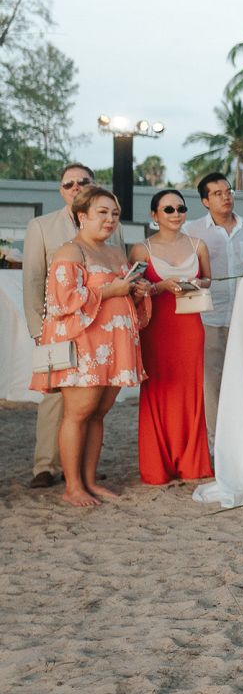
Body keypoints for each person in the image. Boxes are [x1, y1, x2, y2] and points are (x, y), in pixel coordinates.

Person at [34, 187, 152, 506]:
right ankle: (72, 486)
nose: (110, 219)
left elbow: (120, 293)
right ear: (82, 216)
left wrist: (135, 292)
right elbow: (62, 303)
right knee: (78, 413)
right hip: (85, 345)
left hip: (114, 343)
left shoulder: (115, 253)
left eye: (114, 213)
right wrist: (111, 291)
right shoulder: (71, 252)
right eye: (102, 212)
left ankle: (89, 480)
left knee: (99, 414)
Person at [20, 162, 118, 488]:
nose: (76, 187)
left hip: (98, 331)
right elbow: (33, 279)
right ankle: (45, 466)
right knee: (55, 399)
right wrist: (38, 328)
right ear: (60, 190)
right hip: (59, 328)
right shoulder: (42, 226)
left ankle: (76, 466)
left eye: (83, 181)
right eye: (69, 183)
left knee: (90, 405)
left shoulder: (110, 223)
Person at [131, 189, 214, 486]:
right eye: (168, 209)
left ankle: (192, 462)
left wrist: (194, 282)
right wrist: (159, 287)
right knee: (158, 389)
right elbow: (134, 289)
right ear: (154, 215)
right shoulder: (141, 250)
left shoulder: (198, 245)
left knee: (190, 391)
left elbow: (208, 279)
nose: (176, 213)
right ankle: (158, 465)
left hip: (190, 325)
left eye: (180, 208)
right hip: (156, 326)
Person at [188, 172, 243, 453]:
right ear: (206, 201)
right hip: (210, 316)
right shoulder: (193, 231)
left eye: (228, 191)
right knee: (212, 383)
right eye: (217, 193)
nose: (226, 196)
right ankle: (217, 444)